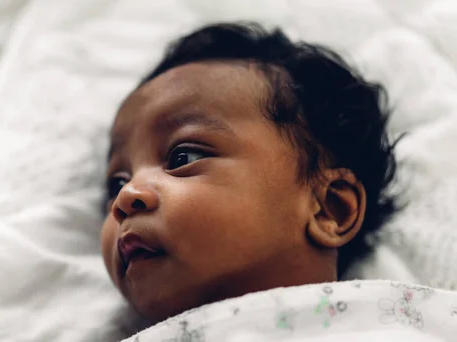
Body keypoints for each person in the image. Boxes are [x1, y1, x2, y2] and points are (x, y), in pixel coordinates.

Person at [100, 22, 399, 323]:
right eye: (117, 183)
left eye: (183, 157)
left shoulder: (398, 323)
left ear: (328, 208)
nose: (126, 196)